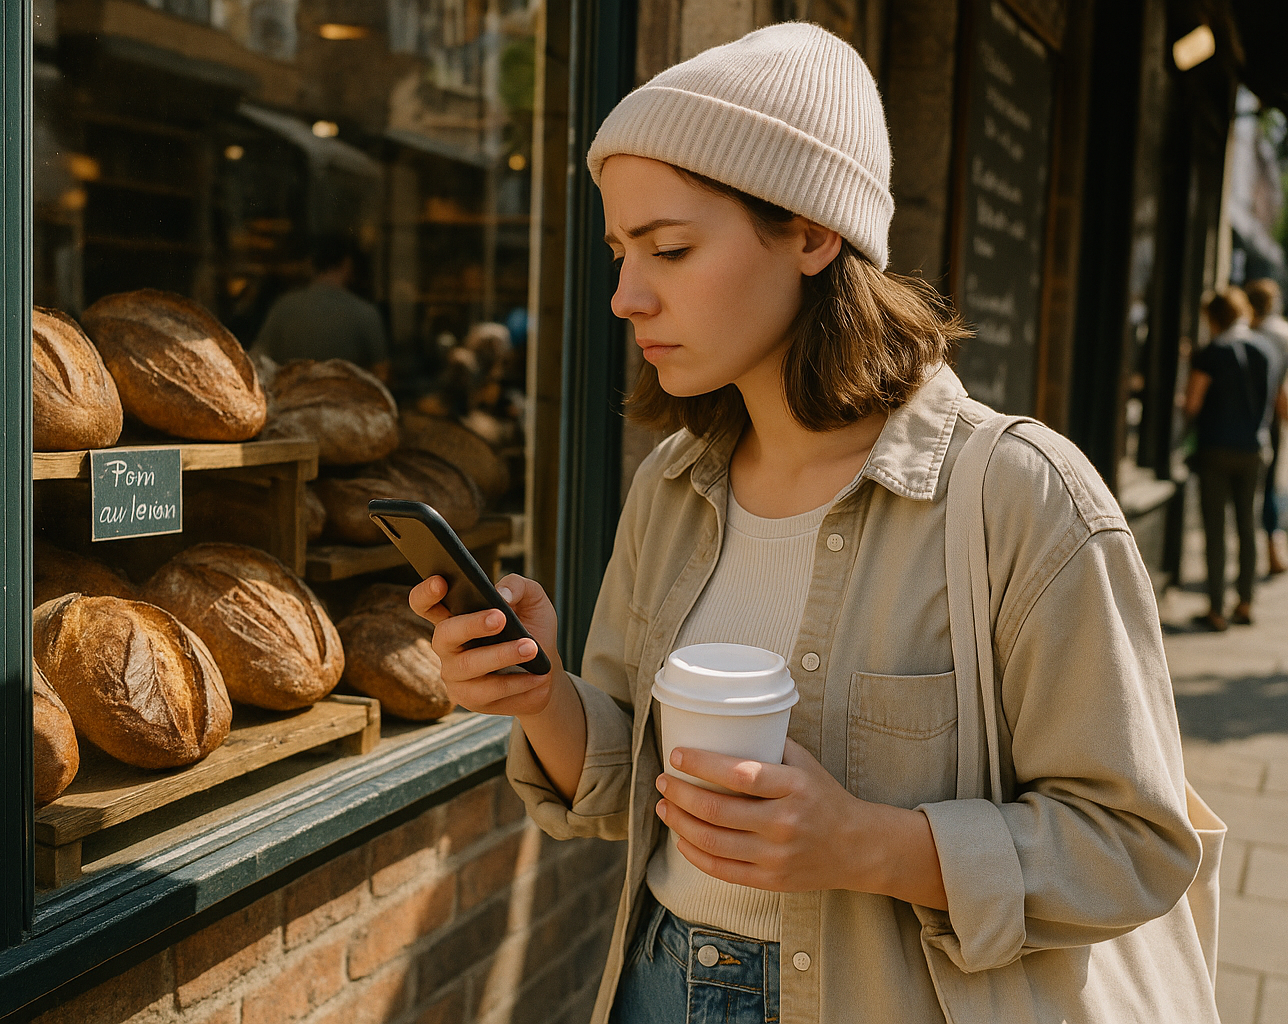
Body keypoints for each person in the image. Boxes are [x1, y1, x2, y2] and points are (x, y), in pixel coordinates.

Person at [410, 24, 1214, 1024]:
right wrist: (537, 694)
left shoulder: (1020, 497)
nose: (625, 295)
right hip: (656, 984)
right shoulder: (674, 482)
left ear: (811, 233)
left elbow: (1137, 843)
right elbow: (623, 785)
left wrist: (866, 842)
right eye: (621, 251)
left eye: (669, 247)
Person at [1185, 287, 1277, 630]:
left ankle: (1216, 609)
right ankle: (1246, 602)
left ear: (1213, 317)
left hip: (1215, 449)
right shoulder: (1266, 350)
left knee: (1215, 529)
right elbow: (1274, 403)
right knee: (1247, 526)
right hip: (1254, 449)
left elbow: (1193, 404)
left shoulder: (1210, 354)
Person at [251, 233, 390, 379]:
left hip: (288, 399)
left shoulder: (284, 306)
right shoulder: (365, 312)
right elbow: (382, 374)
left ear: (311, 263)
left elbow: (257, 360)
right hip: (345, 399)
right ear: (348, 263)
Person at [1245, 278, 1288, 574]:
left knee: (1244, 493)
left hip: (1241, 418)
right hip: (1269, 420)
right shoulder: (1282, 333)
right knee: (1270, 486)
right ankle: (1272, 550)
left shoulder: (1245, 330)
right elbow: (1281, 386)